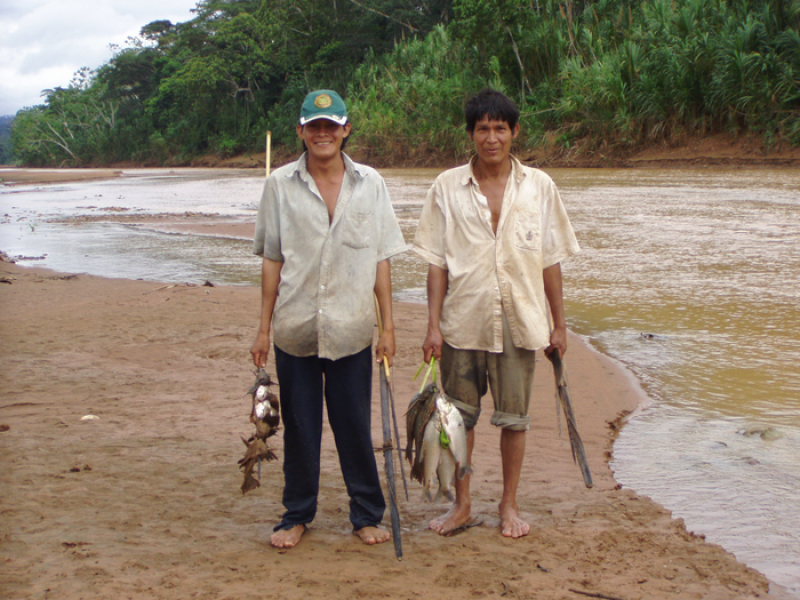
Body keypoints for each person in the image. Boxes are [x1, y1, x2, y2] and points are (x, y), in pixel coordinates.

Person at [412, 88, 580, 538]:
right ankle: (461, 505)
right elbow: (436, 263)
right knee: (457, 419)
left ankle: (509, 505)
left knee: (514, 419)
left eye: (500, 128)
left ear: (514, 132)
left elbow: (551, 259)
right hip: (461, 322)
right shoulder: (446, 187)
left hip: (521, 321)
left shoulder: (539, 187)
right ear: (470, 134)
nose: (491, 138)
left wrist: (559, 324)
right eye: (482, 129)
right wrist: (432, 326)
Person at [250, 89, 407, 549]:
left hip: (352, 328)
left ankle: (366, 514)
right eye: (314, 126)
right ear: (300, 131)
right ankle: (296, 514)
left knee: (354, 425)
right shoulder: (279, 184)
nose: (323, 134)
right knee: (300, 427)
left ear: (346, 130)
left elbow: (380, 259)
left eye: (331, 126)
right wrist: (262, 327)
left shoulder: (371, 183)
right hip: (295, 328)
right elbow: (271, 261)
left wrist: (389, 327)